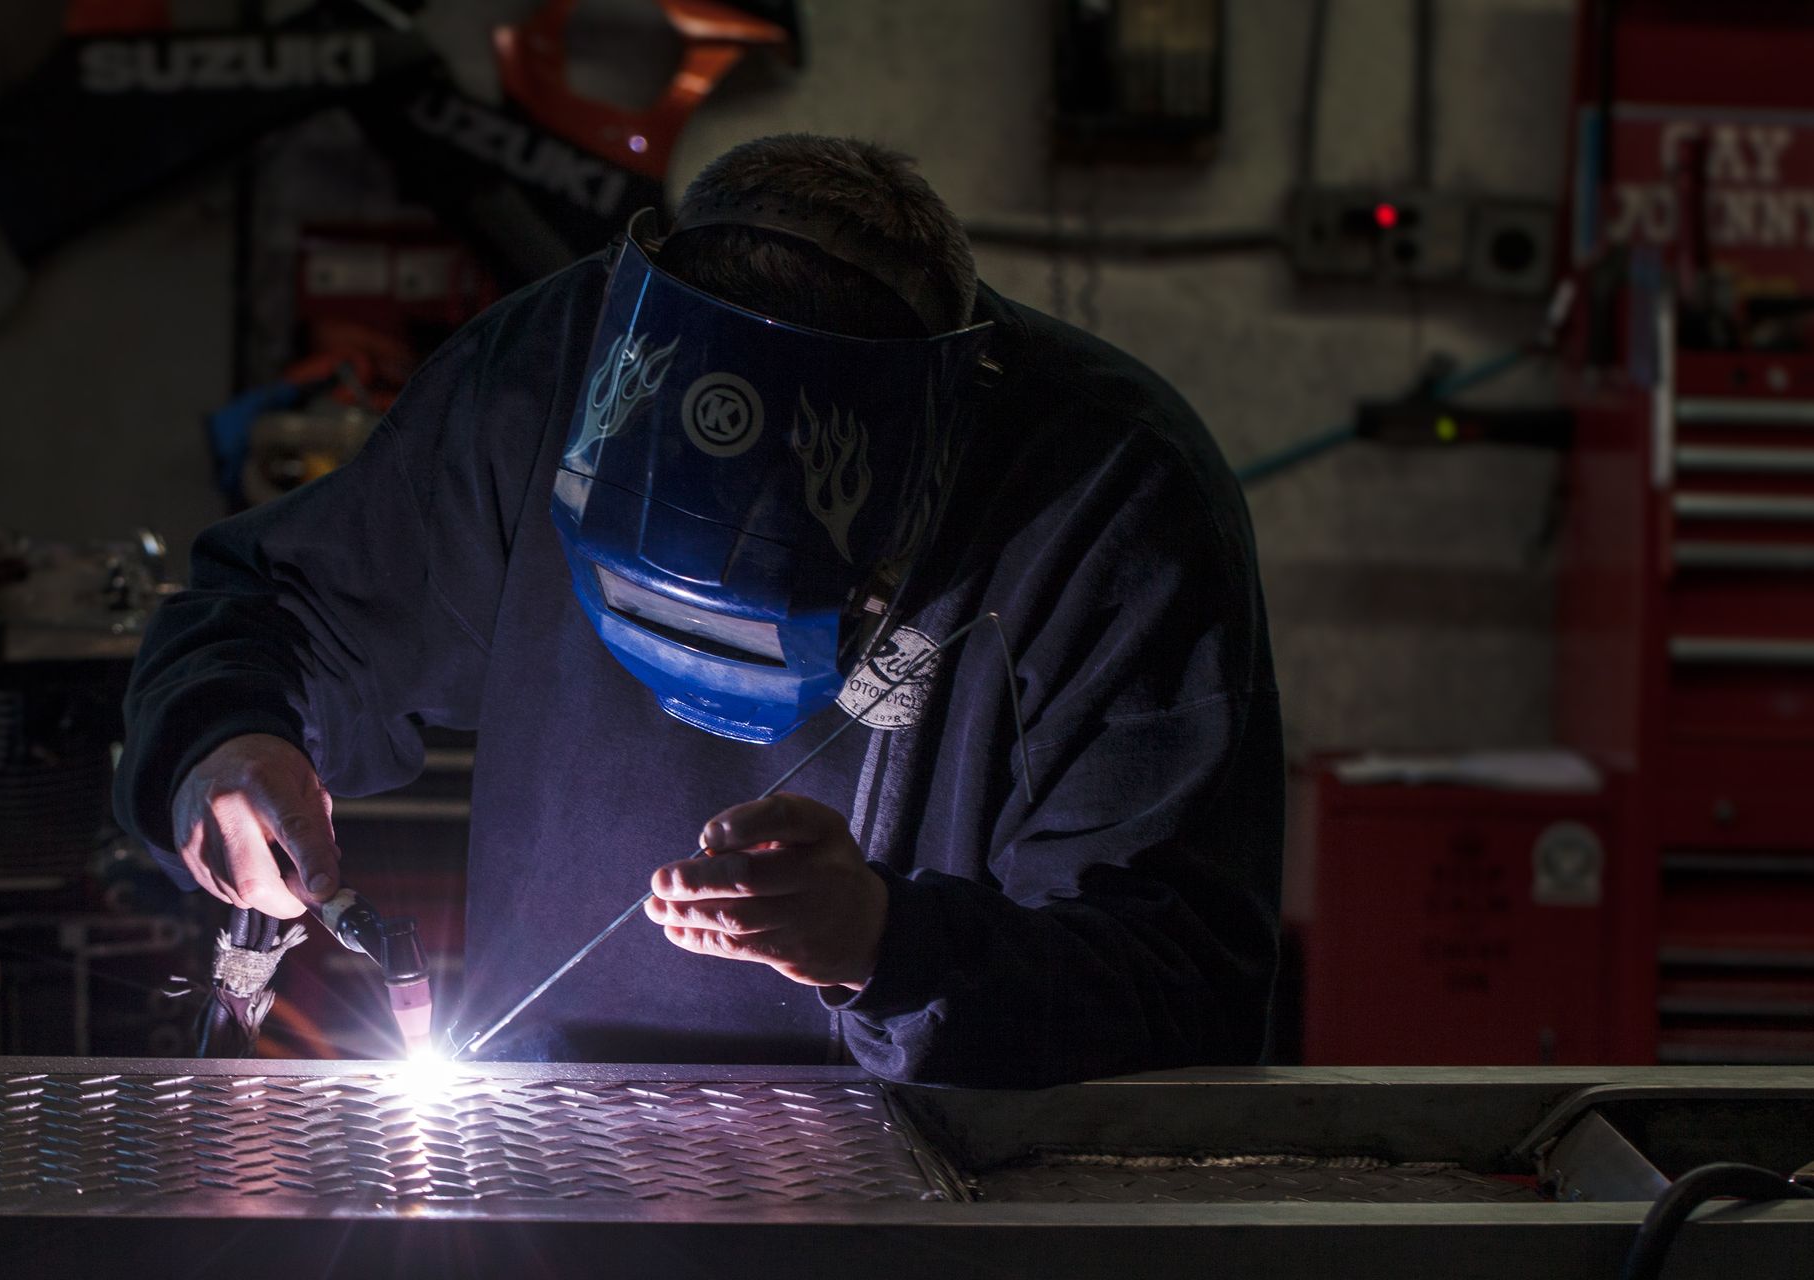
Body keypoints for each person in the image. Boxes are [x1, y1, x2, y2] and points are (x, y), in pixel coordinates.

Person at [113, 133, 1283, 1087]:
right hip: (553, 1187)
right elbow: (275, 610)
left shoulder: (1109, 501)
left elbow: (1182, 979)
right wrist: (227, 737)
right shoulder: (548, 375)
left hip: (935, 1215)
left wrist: (882, 940)